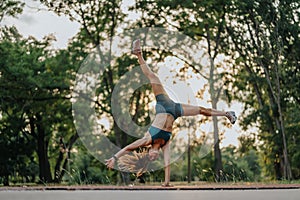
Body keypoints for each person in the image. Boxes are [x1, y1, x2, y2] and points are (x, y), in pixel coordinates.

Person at [105, 39, 237, 186]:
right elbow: (167, 162)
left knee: (153, 77)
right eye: (155, 159)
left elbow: (128, 147)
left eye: (150, 157)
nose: (154, 157)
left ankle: (138, 54)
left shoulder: (147, 139)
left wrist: (114, 158)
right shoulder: (165, 143)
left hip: (163, 105)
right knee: (201, 110)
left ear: (148, 152)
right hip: (175, 111)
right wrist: (167, 183)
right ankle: (227, 114)